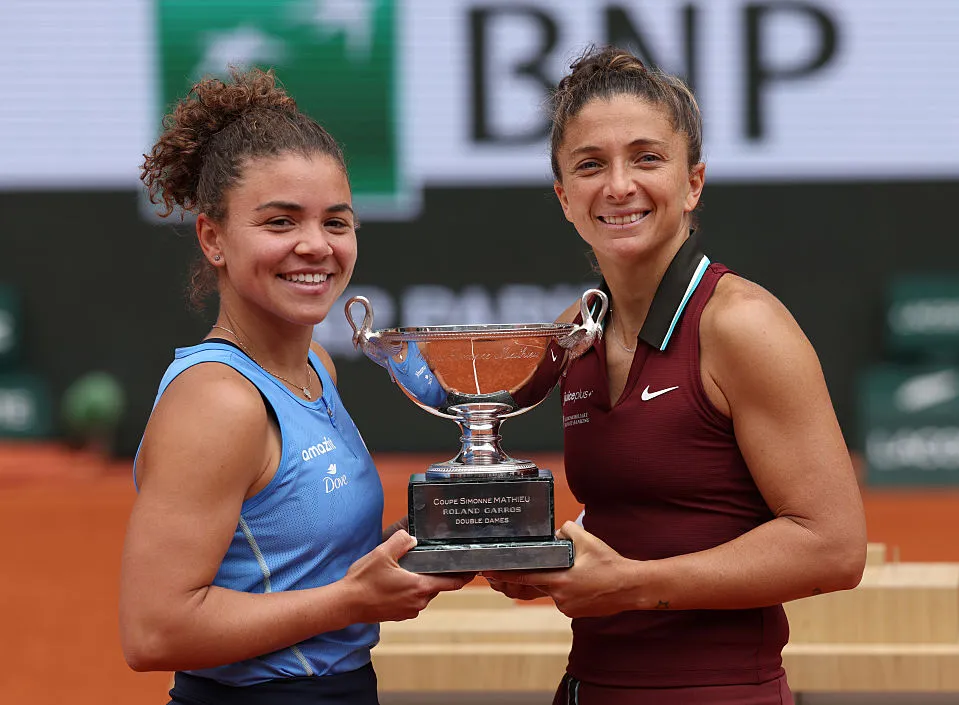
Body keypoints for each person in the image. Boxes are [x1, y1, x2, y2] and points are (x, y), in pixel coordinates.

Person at [484, 46, 867, 705]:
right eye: (590, 165)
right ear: (564, 197)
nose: (618, 184)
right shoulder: (578, 328)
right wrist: (541, 558)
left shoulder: (741, 324)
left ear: (693, 182)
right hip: (590, 686)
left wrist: (631, 581)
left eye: (647, 157)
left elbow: (833, 547)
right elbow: (650, 507)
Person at [120, 67, 470, 705]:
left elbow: (302, 568)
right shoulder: (218, 401)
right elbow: (154, 630)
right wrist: (350, 602)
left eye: (336, 222)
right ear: (213, 238)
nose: (316, 246)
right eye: (280, 223)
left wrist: (446, 528)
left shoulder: (316, 370)